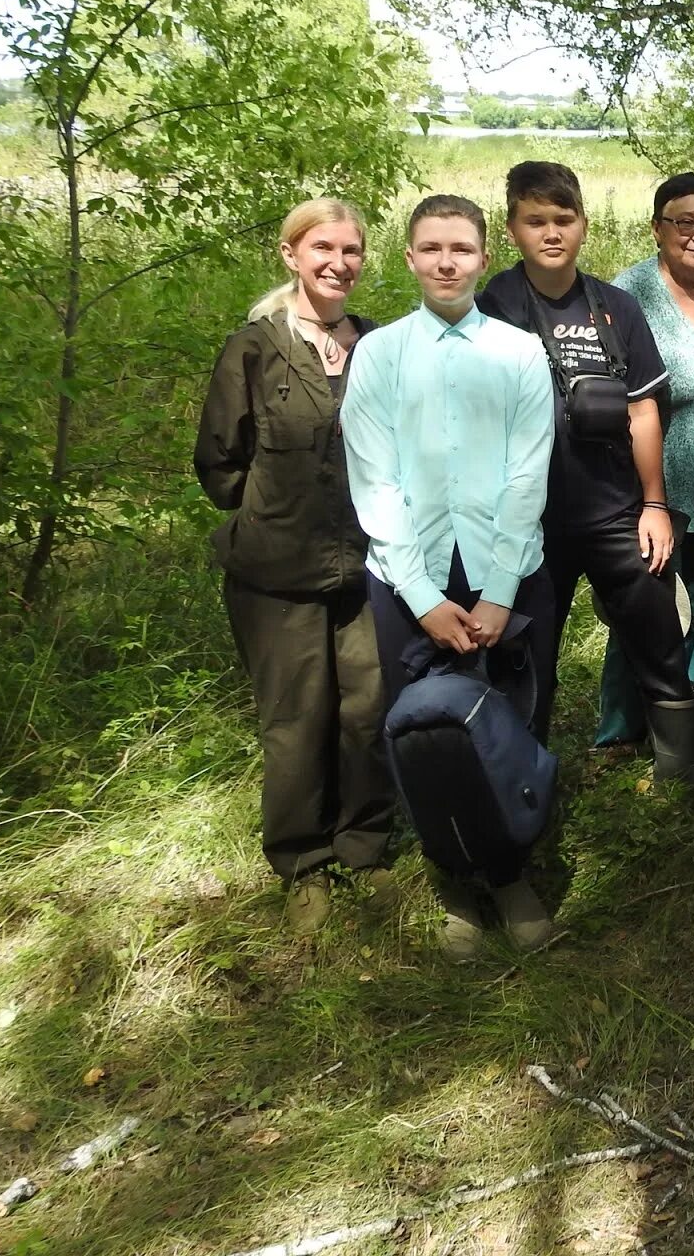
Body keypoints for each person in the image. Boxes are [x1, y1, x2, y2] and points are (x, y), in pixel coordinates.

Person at [343, 194, 557, 956]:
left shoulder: (517, 351)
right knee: (423, 728)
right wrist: (426, 599)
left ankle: (511, 870)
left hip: (508, 569)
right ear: (408, 258)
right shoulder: (380, 355)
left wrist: (499, 591)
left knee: (511, 720)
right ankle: (454, 882)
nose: (445, 262)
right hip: (409, 578)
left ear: (483, 255)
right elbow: (375, 483)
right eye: (430, 248)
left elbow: (529, 474)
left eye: (460, 249)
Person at [475, 161, 694, 802]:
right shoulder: (492, 306)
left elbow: (645, 409)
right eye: (536, 221)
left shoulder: (613, 307)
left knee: (657, 632)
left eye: (563, 220)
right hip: (528, 519)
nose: (551, 233)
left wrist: (653, 504)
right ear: (513, 229)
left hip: (617, 507)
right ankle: (523, 776)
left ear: (583, 225)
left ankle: (681, 762)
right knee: (527, 648)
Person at [195, 198, 391, 934]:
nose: (339, 263)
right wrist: (277, 512)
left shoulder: (375, 344)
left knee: (366, 711)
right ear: (291, 254)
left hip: (369, 568)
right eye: (323, 249)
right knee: (296, 720)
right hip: (276, 571)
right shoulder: (254, 347)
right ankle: (303, 862)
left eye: (351, 250)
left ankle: (365, 844)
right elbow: (219, 462)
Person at [600, 173, 694, 747]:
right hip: (652, 483)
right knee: (645, 607)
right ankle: (619, 731)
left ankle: (690, 721)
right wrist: (647, 498)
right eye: (685, 222)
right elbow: (613, 397)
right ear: (658, 226)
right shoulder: (628, 294)